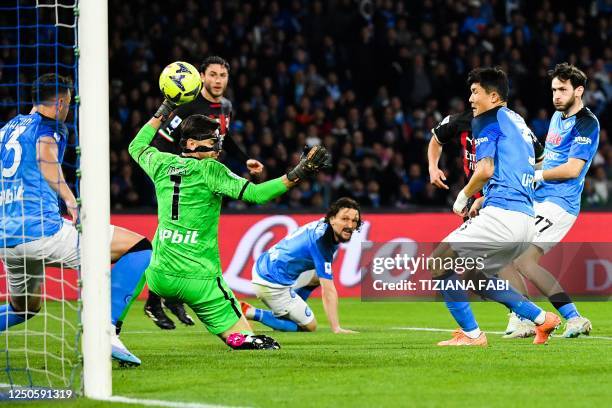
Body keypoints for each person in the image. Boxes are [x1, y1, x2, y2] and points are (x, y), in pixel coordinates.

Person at [128, 97, 330, 349]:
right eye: (213, 140)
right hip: (198, 280)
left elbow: (136, 146)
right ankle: (235, 335)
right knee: (246, 338)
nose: (218, 145)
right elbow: (259, 195)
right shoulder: (212, 170)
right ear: (191, 143)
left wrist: (165, 107)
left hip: (158, 276)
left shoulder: (161, 162)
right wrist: (300, 172)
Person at [0, 73, 147, 366]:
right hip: (44, 233)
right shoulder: (51, 125)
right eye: (69, 102)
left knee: (23, 309)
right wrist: (69, 198)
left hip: (7, 241)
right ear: (61, 101)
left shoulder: (6, 130)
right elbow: (45, 156)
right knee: (140, 247)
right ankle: (106, 328)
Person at [428, 67, 560, 346]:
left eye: (475, 92)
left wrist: (464, 195)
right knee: (478, 278)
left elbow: (486, 169)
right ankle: (540, 319)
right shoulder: (518, 122)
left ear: (494, 95)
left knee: (439, 262)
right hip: (524, 219)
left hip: (503, 214)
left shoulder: (486, 120)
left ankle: (473, 335)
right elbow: (538, 162)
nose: (471, 98)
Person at [143, 55, 265, 330]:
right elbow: (162, 141)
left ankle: (171, 297)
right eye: (212, 75)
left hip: (209, 181)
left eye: (222, 75)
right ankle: (153, 302)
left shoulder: (225, 106)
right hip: (180, 180)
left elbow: (225, 138)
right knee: (171, 236)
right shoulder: (188, 106)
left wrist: (244, 159)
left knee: (183, 240)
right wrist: (178, 173)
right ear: (201, 76)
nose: (217, 80)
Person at [500, 63, 598, 338]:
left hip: (560, 203)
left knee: (524, 261)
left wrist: (537, 174)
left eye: (563, 90)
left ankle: (573, 318)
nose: (556, 95)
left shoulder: (586, 123)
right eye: (554, 89)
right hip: (539, 198)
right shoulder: (557, 118)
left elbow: (572, 169)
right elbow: (547, 156)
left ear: (578, 91)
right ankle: (525, 318)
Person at [241, 197, 360, 334]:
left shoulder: (325, 226)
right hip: (271, 284)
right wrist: (336, 328)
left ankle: (289, 311)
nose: (350, 225)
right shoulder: (323, 242)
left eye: (354, 221)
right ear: (332, 219)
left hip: (265, 265)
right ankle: (252, 312)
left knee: (316, 276)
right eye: (345, 219)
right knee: (310, 327)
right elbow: (328, 291)